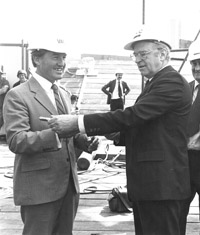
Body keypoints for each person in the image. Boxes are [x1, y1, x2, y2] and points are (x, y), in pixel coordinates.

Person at [48, 26, 192, 235]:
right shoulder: (157, 82)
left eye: (143, 54)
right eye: (135, 55)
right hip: (152, 186)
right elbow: (146, 126)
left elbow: (134, 116)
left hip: (161, 187)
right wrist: (117, 134)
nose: (137, 60)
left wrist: (77, 123)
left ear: (163, 54)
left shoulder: (171, 82)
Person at [3, 38, 99, 235]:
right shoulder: (18, 95)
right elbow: (16, 140)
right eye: (55, 57)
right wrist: (55, 133)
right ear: (37, 59)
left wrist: (83, 141)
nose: (62, 63)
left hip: (69, 187)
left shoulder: (63, 93)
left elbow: (69, 134)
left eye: (63, 57)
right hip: (39, 189)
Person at [179, 39, 200, 235]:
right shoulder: (184, 89)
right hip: (183, 162)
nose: (197, 67)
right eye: (194, 63)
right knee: (177, 214)